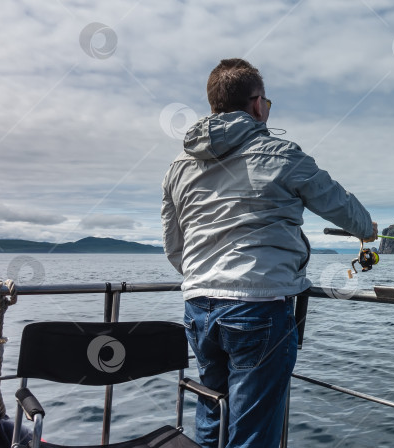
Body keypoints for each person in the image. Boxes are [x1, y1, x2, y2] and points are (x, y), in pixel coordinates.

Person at [161, 58, 377, 447]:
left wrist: (207, 276)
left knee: (212, 410)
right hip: (258, 308)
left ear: (214, 105)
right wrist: (368, 228)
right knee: (252, 433)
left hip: (198, 307)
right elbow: (341, 206)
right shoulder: (281, 154)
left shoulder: (178, 166)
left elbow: (174, 247)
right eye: (267, 105)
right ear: (257, 103)